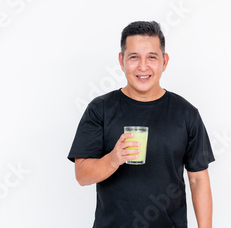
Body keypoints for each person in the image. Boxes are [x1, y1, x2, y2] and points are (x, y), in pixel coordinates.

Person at [68, 21, 215, 228]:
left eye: (152, 57)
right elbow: (82, 175)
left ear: (164, 62)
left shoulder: (186, 114)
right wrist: (113, 159)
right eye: (134, 57)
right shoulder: (100, 109)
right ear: (122, 61)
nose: (143, 67)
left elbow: (198, 179)